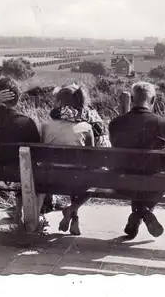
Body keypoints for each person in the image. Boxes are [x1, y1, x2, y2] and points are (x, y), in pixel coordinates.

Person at [0, 77, 53, 216]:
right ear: (18, 98)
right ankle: (30, 214)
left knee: (18, 167)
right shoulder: (27, 122)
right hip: (20, 178)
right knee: (29, 168)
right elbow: (36, 155)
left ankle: (17, 210)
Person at [108, 81, 165, 240]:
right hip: (153, 184)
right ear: (152, 101)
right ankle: (143, 212)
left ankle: (138, 215)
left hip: (121, 183)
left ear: (131, 99)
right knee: (161, 177)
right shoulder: (164, 124)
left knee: (134, 175)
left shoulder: (115, 123)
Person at [41, 83, 109, 235]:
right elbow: (93, 159)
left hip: (50, 179)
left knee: (74, 172)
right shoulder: (87, 126)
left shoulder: (46, 125)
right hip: (77, 179)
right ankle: (72, 211)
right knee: (89, 176)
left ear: (59, 103)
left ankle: (71, 214)